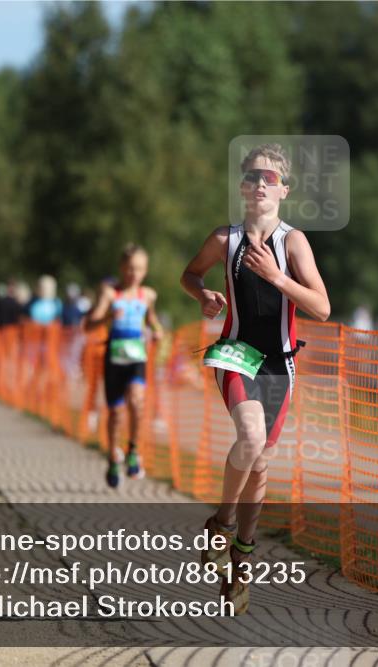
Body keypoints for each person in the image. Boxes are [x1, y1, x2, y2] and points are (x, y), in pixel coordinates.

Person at [180, 143, 330, 613]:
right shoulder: (224, 240)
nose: (261, 184)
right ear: (243, 188)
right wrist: (202, 294)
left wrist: (277, 277)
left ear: (284, 190)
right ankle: (221, 525)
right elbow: (189, 274)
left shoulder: (293, 243)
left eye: (270, 178)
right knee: (250, 439)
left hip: (279, 362)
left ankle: (242, 562)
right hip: (235, 351)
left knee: (261, 463)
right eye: (252, 177)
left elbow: (322, 308)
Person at [84, 244, 164, 489]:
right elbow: (88, 325)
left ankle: (132, 450)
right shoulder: (110, 294)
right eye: (129, 268)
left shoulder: (147, 295)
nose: (133, 273)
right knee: (116, 413)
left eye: (138, 269)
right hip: (114, 357)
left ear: (145, 270)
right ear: (121, 268)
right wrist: (108, 317)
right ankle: (112, 457)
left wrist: (158, 331)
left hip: (137, 357)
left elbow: (151, 320)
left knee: (137, 402)